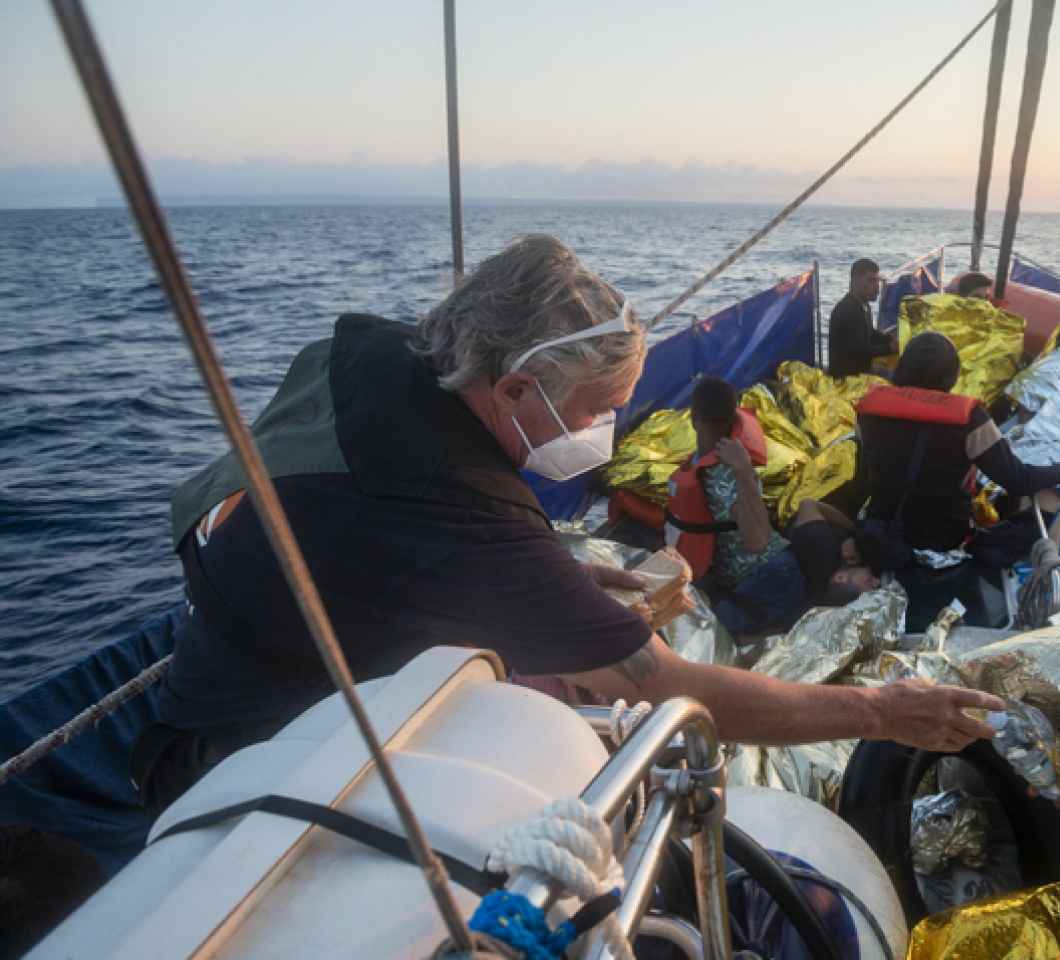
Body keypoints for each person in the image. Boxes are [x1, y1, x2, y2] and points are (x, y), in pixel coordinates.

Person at [138, 235, 1003, 813]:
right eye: (594, 411)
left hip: (226, 651)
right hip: (234, 761)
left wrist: (558, 581)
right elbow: (657, 682)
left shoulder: (368, 358)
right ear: (512, 387)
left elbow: (374, 552)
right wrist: (882, 709)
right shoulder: (452, 510)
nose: (602, 436)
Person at [856, 333, 1060, 628]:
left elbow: (863, 478)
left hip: (882, 536)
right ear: (952, 375)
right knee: (1040, 508)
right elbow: (1018, 479)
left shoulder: (870, 411)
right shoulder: (968, 419)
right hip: (943, 543)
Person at [668, 377, 878, 637]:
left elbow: (757, 541)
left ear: (692, 418)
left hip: (769, 578)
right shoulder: (706, 462)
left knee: (695, 635)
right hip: (762, 572)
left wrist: (744, 472)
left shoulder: (727, 474)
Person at [827, 258, 897, 378]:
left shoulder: (864, 305)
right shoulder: (848, 310)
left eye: (877, 281)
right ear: (855, 281)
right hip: (848, 379)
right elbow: (860, 352)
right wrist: (889, 348)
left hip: (862, 370)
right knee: (898, 379)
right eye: (871, 281)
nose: (877, 287)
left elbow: (870, 333)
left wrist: (888, 338)